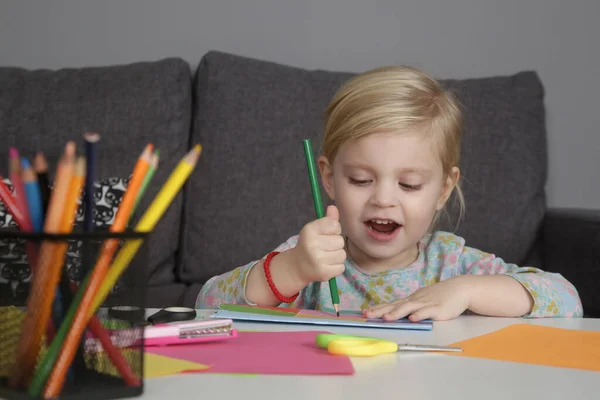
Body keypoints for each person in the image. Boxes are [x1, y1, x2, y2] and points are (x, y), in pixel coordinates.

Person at [196, 65, 583, 321]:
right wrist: (290, 270)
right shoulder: (314, 257)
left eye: (409, 184)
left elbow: (567, 301)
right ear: (329, 179)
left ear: (443, 189)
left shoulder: (450, 262)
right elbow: (207, 306)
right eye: (361, 180)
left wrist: (465, 291)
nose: (383, 199)